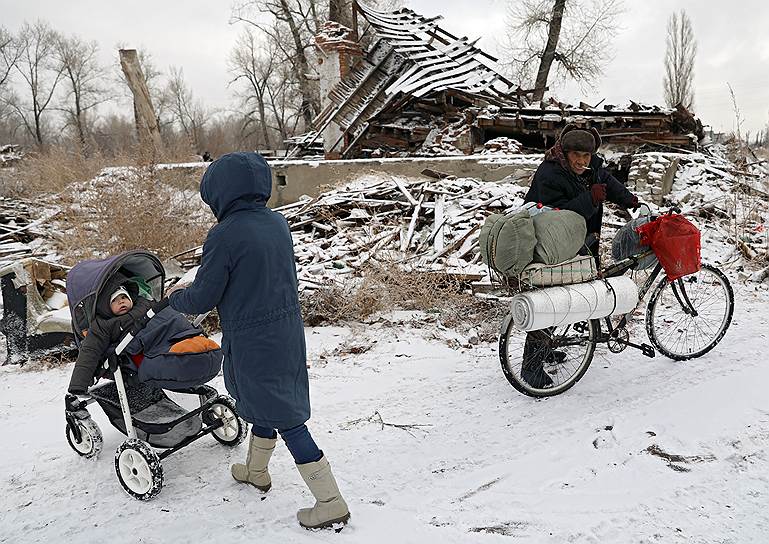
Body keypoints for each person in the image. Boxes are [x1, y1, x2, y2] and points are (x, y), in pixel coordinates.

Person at [167, 152, 350, 530]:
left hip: (253, 337)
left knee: (284, 416)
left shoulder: (225, 233)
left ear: (219, 192)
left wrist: (175, 299)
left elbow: (203, 297)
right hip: (285, 330)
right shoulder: (277, 223)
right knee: (267, 402)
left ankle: (330, 501)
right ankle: (255, 471)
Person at [520, 124, 640, 388]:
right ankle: (531, 365)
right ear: (564, 151)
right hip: (552, 245)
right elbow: (555, 217)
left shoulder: (593, 166)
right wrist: (590, 198)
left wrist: (631, 200)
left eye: (586, 156)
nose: (581, 161)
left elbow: (608, 182)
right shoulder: (549, 172)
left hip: (583, 241)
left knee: (570, 298)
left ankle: (547, 347)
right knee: (552, 298)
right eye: (576, 155)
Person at [67, 274, 154, 394]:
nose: (121, 301)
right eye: (115, 300)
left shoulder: (143, 305)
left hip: (157, 340)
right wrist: (78, 383)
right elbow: (89, 351)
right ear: (106, 306)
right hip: (134, 358)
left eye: (124, 297)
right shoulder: (103, 325)